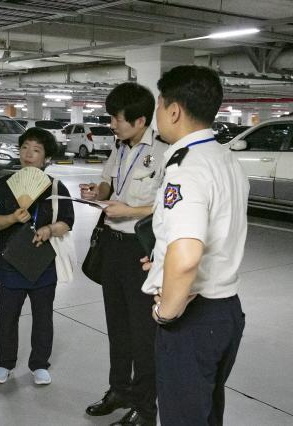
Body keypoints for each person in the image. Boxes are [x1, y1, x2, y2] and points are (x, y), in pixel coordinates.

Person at [141, 65, 248, 426]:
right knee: (205, 413)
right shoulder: (227, 159)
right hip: (227, 309)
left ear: (174, 110)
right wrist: (159, 264)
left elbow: (186, 258)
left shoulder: (186, 167)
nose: (158, 115)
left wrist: (165, 313)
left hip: (193, 318)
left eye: (159, 106)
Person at [80, 82, 167, 426]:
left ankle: (145, 408)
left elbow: (165, 206)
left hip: (140, 250)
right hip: (112, 247)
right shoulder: (120, 148)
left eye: (116, 118)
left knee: (143, 333)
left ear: (140, 119)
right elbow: (109, 184)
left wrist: (129, 212)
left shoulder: (163, 153)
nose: (112, 124)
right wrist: (97, 191)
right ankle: (119, 390)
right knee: (117, 327)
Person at [0, 127, 74, 386]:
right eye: (25, 147)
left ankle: (39, 364)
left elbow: (67, 222)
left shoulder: (56, 187)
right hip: (10, 260)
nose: (28, 154)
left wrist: (49, 229)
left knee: (43, 316)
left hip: (43, 262)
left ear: (46, 157)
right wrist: (12, 218)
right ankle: (4, 363)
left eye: (36, 150)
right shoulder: (4, 185)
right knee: (7, 316)